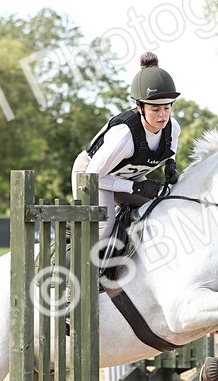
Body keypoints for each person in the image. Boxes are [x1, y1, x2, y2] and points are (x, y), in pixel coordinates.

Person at [72, 52, 182, 240]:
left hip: (126, 177)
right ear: (140, 108)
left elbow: (170, 150)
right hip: (90, 176)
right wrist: (136, 188)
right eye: (155, 109)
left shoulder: (173, 128)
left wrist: (170, 164)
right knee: (103, 230)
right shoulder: (125, 136)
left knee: (163, 209)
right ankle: (69, 241)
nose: (163, 115)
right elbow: (92, 177)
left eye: (167, 108)